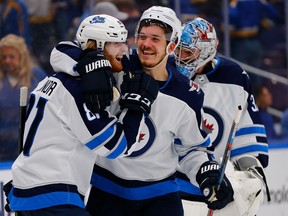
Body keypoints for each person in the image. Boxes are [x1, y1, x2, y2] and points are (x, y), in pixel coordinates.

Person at [50, 7, 235, 216]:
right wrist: (88, 65)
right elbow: (61, 52)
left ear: (171, 45)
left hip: (160, 198)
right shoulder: (117, 66)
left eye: (155, 39)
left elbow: (191, 149)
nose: (146, 44)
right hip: (106, 193)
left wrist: (206, 173)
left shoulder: (187, 93)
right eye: (142, 36)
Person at [3, 14, 159, 216]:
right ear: (98, 46)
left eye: (124, 41)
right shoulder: (80, 88)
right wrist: (137, 106)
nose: (124, 49)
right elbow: (115, 146)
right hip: (54, 195)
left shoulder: (56, 78)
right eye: (117, 43)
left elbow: (63, 49)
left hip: (28, 192)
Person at [173, 17, 270, 216]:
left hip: (217, 191)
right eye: (178, 50)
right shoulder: (164, 73)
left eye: (188, 52)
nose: (180, 57)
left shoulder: (235, 77)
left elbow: (246, 137)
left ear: (207, 52)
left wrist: (251, 174)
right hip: (172, 191)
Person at [0, 34, 46, 162]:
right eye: (4, 57)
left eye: (11, 56)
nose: (7, 61)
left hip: (30, 146)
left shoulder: (37, 77)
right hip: (3, 149)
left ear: (22, 57)